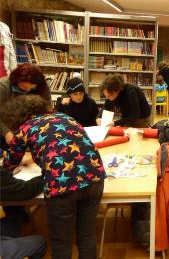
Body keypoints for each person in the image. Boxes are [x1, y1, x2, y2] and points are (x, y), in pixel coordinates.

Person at [0, 95, 105, 259]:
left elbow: (11, 161)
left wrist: (6, 168)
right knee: (87, 236)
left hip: (61, 185)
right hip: (94, 176)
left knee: (61, 242)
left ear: (16, 117)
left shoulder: (25, 128)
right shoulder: (66, 117)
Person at [0, 63, 51, 145]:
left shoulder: (42, 86)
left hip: (33, 129)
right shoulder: (3, 86)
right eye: (23, 88)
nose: (27, 91)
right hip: (6, 128)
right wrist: (6, 132)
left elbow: (48, 110)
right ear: (16, 80)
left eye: (31, 88)